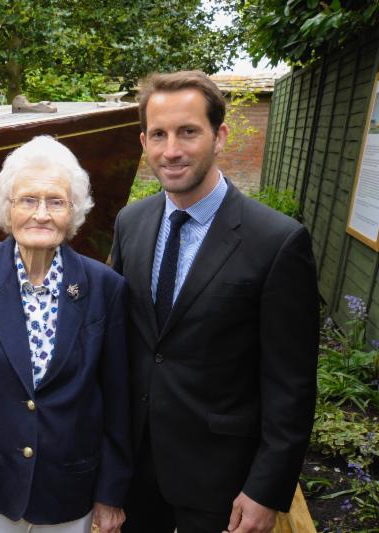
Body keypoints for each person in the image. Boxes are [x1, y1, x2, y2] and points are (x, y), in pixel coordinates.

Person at [110, 71, 319, 533]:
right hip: (133, 471)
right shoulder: (131, 223)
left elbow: (292, 385)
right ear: (144, 141)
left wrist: (266, 488)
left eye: (188, 132)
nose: (172, 151)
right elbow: (117, 341)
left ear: (219, 135)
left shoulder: (277, 242)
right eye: (159, 135)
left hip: (219, 480)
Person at [0, 136, 132, 533]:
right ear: (7, 208)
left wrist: (110, 492)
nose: (41, 214)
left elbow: (117, 400)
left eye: (56, 201)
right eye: (28, 200)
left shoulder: (104, 287)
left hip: (70, 484)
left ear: (74, 211)